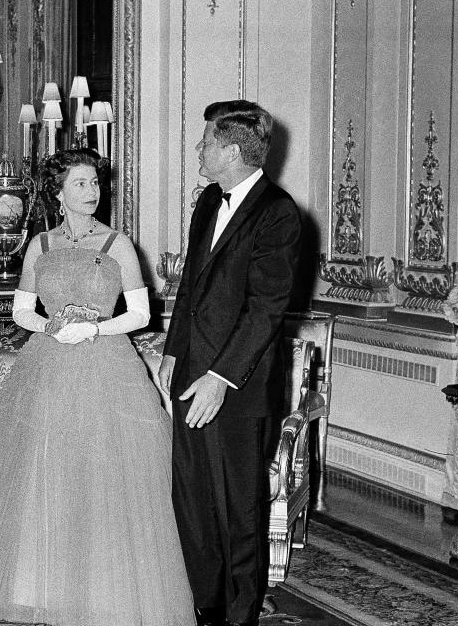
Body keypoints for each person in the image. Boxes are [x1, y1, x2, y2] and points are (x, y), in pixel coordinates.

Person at [0, 148, 196, 626]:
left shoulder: (118, 244)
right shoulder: (40, 245)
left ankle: (107, 588)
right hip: (48, 366)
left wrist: (94, 328)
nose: (91, 192)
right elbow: (21, 310)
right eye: (80, 183)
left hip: (107, 369)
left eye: (95, 183)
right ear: (58, 193)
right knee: (44, 470)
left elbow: (140, 314)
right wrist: (51, 327)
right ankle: (40, 586)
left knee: (103, 474)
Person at [158, 100, 302, 626]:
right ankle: (207, 606)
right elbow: (192, 284)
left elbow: (266, 310)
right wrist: (175, 351)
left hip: (237, 387)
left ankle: (240, 616)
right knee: (193, 502)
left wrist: (221, 377)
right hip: (191, 374)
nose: (199, 150)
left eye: (206, 144)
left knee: (239, 508)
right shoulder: (205, 204)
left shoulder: (278, 213)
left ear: (233, 152)